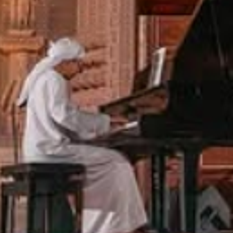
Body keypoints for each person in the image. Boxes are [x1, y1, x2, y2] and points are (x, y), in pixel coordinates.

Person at [17, 38, 148, 233]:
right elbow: (64, 116)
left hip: (43, 150)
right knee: (117, 161)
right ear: (65, 61)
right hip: (51, 152)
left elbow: (63, 117)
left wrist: (97, 127)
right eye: (78, 64)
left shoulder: (44, 78)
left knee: (105, 164)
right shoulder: (54, 79)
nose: (80, 70)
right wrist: (105, 123)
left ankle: (103, 224)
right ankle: (119, 227)